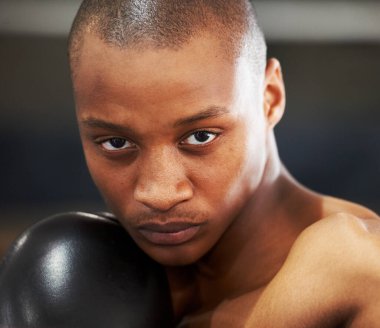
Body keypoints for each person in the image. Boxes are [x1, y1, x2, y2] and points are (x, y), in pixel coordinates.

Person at [1, 0, 379, 327]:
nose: (160, 193)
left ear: (270, 98)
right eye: (116, 143)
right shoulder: (87, 284)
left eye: (200, 137)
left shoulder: (354, 266)